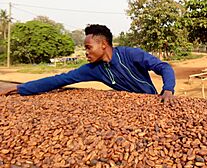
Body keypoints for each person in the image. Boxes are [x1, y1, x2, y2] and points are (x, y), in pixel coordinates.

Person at [0, 24, 176, 104]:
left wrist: (168, 90)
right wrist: (20, 89)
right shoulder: (94, 69)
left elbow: (164, 67)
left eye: (88, 47)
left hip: (153, 101)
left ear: (103, 44)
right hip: (128, 106)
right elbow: (59, 80)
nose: (86, 52)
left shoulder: (131, 54)